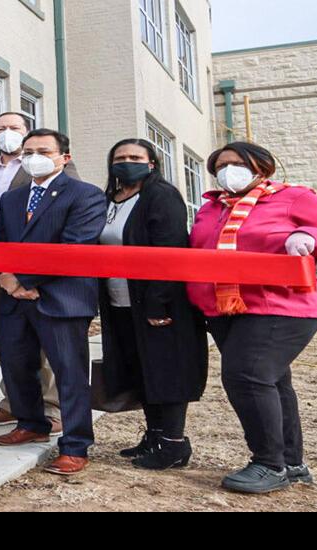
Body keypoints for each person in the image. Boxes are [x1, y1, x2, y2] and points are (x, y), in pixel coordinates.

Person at [188, 142, 317, 494]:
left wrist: (310, 234)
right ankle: (291, 463)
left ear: (261, 167)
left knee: (247, 375)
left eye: (236, 163)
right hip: (227, 308)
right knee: (271, 381)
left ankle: (268, 464)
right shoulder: (211, 209)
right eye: (220, 166)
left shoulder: (295, 198)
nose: (228, 171)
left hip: (281, 304)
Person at [0, 129, 106, 476]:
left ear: (64, 157)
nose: (34, 156)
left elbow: (75, 245)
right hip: (14, 300)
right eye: (28, 151)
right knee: (16, 365)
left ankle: (75, 445)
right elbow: (1, 244)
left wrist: (25, 281)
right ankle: (30, 423)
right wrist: (11, 283)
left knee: (69, 374)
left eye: (43, 150)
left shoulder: (86, 195)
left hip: (62, 298)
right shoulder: (13, 198)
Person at [98, 139, 208, 471]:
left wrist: (158, 305)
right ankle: (155, 435)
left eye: (135, 157)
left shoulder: (161, 196)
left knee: (167, 370)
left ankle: (174, 444)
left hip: (159, 303)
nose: (126, 162)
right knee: (142, 370)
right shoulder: (110, 199)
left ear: (152, 163)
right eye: (120, 157)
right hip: (121, 301)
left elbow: (170, 252)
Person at [0, 112, 81, 432]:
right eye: (1, 128)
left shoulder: (53, 166)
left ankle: (51, 405)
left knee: (45, 342)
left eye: (14, 128)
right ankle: (14, 402)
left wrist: (34, 272)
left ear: (27, 132)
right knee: (6, 339)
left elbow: (67, 210)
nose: (7, 133)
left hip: (42, 271)